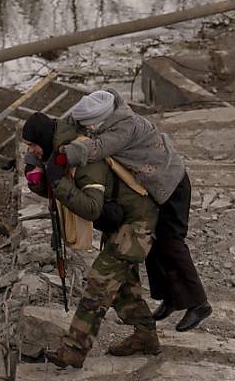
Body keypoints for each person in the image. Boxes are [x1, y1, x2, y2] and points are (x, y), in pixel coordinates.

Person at [60, 90, 211, 332]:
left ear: (102, 119)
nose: (88, 130)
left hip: (170, 184)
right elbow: (72, 121)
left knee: (172, 243)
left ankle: (198, 303)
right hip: (154, 186)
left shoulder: (125, 126)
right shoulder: (108, 110)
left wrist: (64, 156)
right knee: (154, 244)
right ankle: (171, 298)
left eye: (90, 126)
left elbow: (97, 148)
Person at [23, 112, 160, 369]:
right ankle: (145, 336)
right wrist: (38, 180)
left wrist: (54, 179)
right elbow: (62, 187)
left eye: (32, 145)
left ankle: (73, 350)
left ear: (44, 138)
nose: (30, 150)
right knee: (122, 286)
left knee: (99, 281)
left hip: (139, 223)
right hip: (122, 223)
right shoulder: (60, 152)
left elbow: (91, 208)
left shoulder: (84, 157)